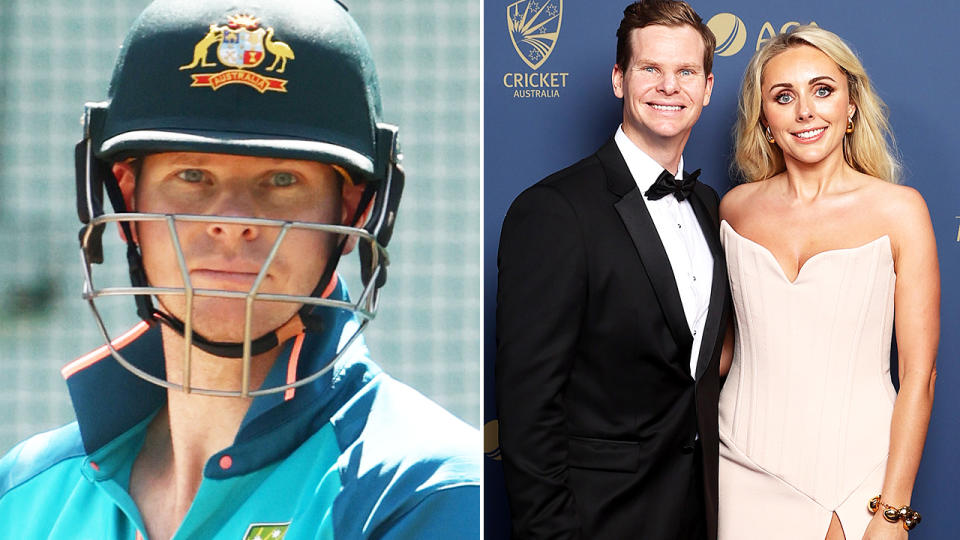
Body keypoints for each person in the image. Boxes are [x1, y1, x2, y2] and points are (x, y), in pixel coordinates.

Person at [0, 1, 480, 538]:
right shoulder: (25, 495)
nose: (232, 222)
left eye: (280, 180)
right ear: (126, 198)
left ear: (351, 212)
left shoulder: (427, 492)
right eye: (192, 175)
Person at [496, 1, 729, 538]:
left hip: (701, 515)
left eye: (686, 71)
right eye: (651, 69)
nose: (669, 86)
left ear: (708, 86)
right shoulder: (554, 210)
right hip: (601, 521)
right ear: (620, 79)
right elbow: (530, 408)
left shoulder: (712, 208)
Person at [718, 25, 938, 540]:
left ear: (851, 104)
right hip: (740, 469)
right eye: (783, 96)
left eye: (823, 90)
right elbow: (722, 350)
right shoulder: (733, 211)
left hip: (859, 477)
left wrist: (892, 512)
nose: (805, 112)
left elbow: (919, 374)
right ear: (765, 119)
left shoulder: (900, 210)